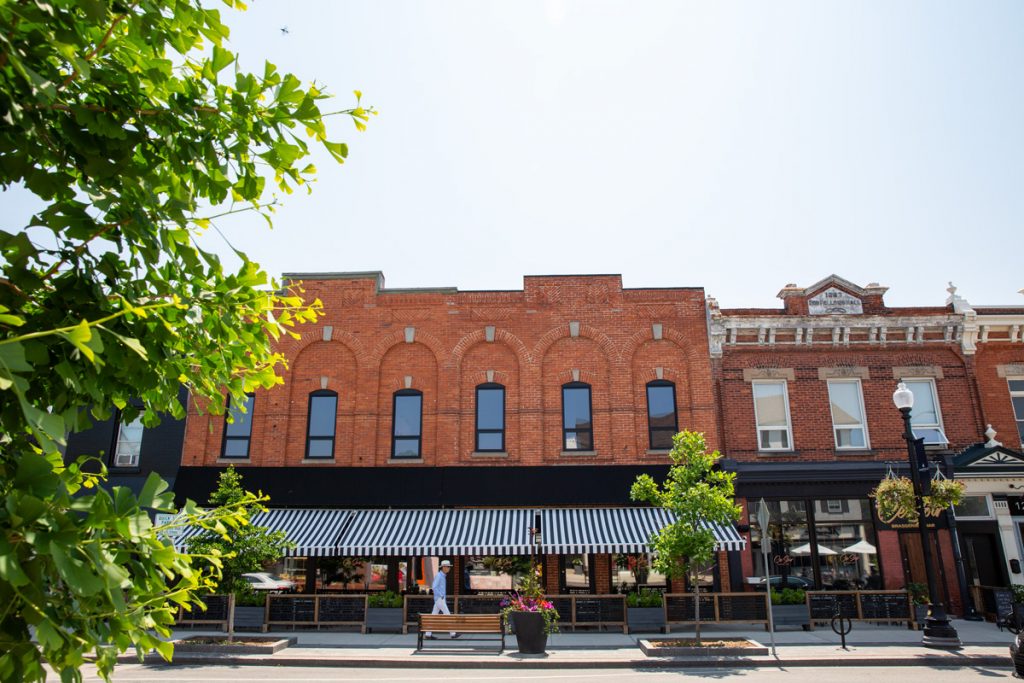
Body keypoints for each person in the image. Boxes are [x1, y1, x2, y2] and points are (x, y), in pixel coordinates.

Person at [424, 559, 458, 639]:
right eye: (448, 567)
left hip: (439, 599)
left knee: (433, 616)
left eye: (449, 567)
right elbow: (434, 587)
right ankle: (453, 634)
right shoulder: (439, 576)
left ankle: (428, 634)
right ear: (443, 567)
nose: (449, 568)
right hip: (440, 599)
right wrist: (441, 595)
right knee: (448, 615)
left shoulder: (441, 576)